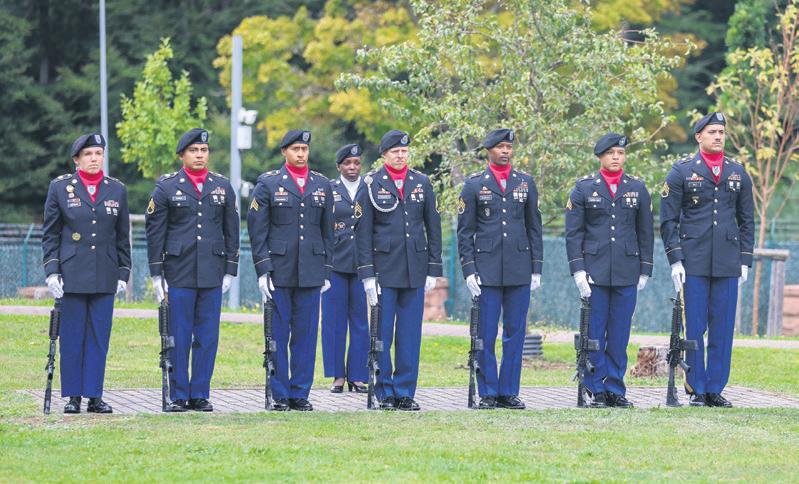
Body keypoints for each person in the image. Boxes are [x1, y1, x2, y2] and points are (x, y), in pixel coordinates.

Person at [660, 113, 754, 407]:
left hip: (727, 261)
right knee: (695, 327)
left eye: (721, 132)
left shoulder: (738, 172)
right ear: (699, 136)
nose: (718, 136)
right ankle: (696, 388)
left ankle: (715, 388)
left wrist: (744, 260)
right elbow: (668, 221)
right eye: (712, 132)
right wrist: (675, 260)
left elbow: (747, 220)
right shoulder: (681, 171)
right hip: (694, 261)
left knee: (722, 328)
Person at [145, 128, 239, 412]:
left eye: (204, 150)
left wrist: (230, 269)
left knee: (207, 337)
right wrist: (157, 273)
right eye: (194, 151)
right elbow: (155, 232)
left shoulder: (222, 186)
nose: (200, 155)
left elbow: (232, 230)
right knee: (179, 335)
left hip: (212, 270)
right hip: (179, 270)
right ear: (182, 155)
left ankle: (200, 393)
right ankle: (178, 394)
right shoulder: (166, 187)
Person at [42, 133, 130, 414]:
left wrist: (123, 273)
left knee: (98, 338)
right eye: (88, 154)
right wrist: (52, 271)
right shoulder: (60, 188)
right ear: (77, 160)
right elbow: (51, 234)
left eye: (98, 153)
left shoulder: (116, 189)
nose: (94, 159)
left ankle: (94, 395)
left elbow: (122, 236)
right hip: (72, 273)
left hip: (105, 272)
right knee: (72, 337)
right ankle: (73, 396)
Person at [565, 133, 654, 408]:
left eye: (621, 153)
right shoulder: (583, 188)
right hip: (595, 271)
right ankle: (595, 387)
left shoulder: (637, 188)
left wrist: (645, 269)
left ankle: (615, 387)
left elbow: (646, 232)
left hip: (627, 270)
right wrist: (578, 270)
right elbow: (574, 233)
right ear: (600, 156)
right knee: (594, 333)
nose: (616, 157)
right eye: (611, 153)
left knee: (619, 334)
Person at [355, 129, 442, 411]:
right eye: (395, 151)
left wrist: (433, 269)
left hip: (414, 268)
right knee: (382, 334)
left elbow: (433, 227)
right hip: (383, 270)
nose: (401, 155)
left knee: (410, 335)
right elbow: (362, 233)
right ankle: (385, 391)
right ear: (384, 155)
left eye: (404, 151)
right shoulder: (371, 183)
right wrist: (367, 275)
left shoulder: (421, 182)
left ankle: (405, 391)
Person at [457, 128, 544, 410]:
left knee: (515, 333)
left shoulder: (525, 182)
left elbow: (534, 227)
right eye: (500, 147)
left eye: (509, 147)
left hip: (519, 268)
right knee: (486, 334)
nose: (505, 151)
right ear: (489, 150)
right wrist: (469, 270)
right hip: (487, 270)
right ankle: (488, 392)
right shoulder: (474, 185)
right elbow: (465, 233)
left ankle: (509, 391)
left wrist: (536, 268)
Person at [247, 129, 333, 411]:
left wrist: (326, 270)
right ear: (284, 151)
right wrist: (263, 269)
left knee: (306, 337)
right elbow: (257, 230)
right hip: (279, 270)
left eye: (304, 149)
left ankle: (300, 393)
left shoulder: (322, 184)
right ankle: (279, 393)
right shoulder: (268, 183)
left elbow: (328, 231)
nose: (301, 153)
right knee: (278, 334)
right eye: (295, 149)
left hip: (311, 269)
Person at [321, 144, 369, 393]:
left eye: (356, 163)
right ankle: (337, 376)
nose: (352, 167)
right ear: (339, 166)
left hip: (362, 265)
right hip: (335, 263)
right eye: (347, 163)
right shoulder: (329, 189)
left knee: (361, 322)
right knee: (333, 322)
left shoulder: (369, 188)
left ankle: (358, 376)